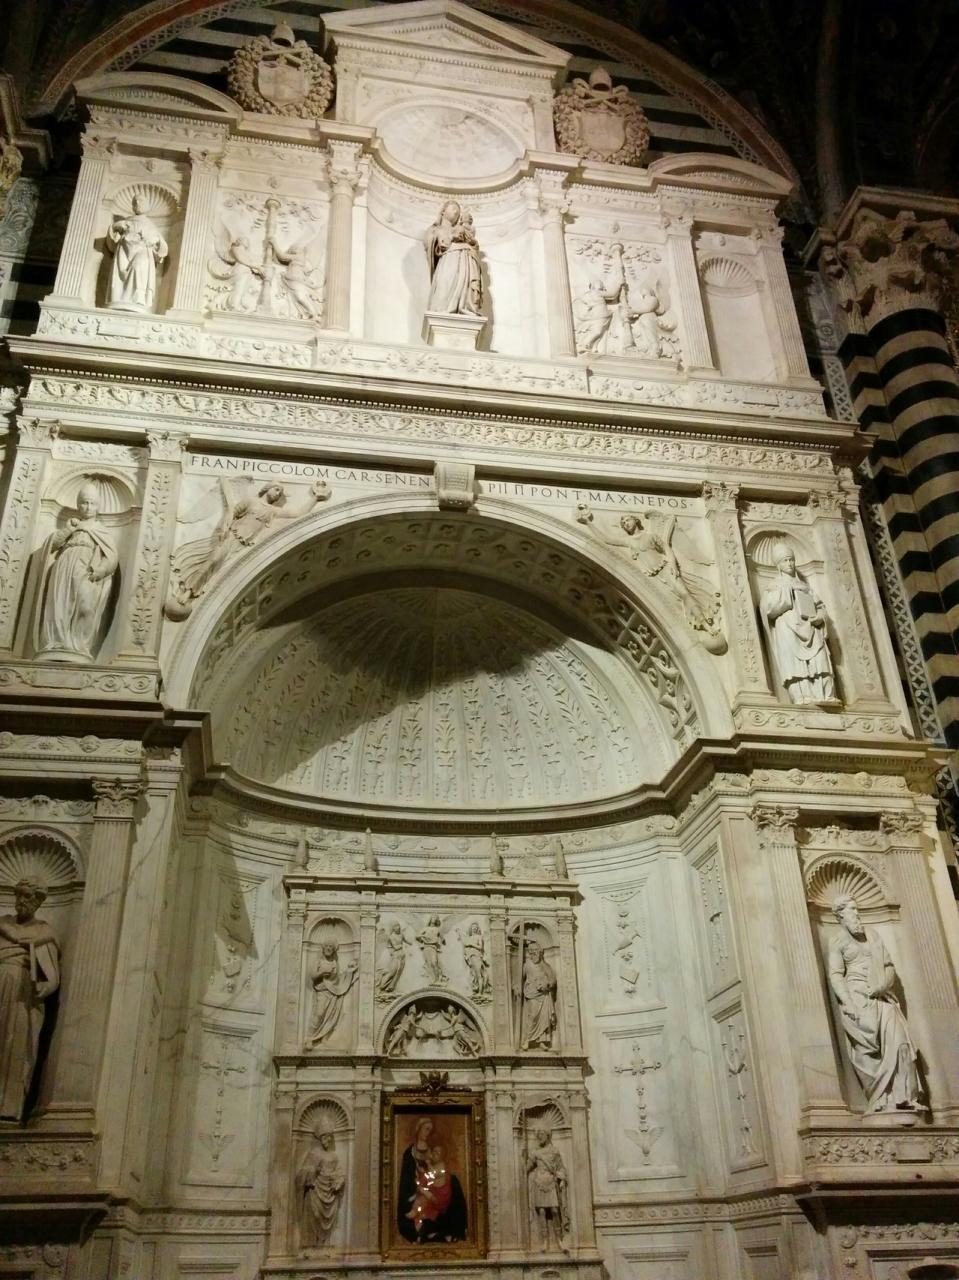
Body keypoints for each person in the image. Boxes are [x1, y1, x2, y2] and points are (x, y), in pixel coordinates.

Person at [828, 895, 922, 1113]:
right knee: (865, 1048)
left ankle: (905, 1096)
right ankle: (879, 1096)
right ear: (841, 915)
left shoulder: (873, 936)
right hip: (857, 997)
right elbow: (836, 974)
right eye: (852, 909)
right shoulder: (838, 941)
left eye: (857, 909)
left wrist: (882, 985)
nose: (857, 914)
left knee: (901, 1042)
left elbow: (889, 966)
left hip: (881, 996)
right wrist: (848, 1003)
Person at [38, 480, 118, 663]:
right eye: (84, 503)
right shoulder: (72, 526)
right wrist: (68, 529)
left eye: (92, 503)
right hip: (65, 566)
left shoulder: (101, 531)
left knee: (86, 606)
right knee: (60, 603)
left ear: (97, 507)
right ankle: (57, 642)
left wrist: (100, 570)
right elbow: (52, 545)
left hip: (87, 568)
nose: (88, 507)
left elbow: (111, 555)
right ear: (78, 505)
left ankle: (80, 645)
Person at [0, 879, 60, 1120]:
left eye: (26, 896)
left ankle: (7, 1106)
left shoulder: (44, 933)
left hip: (21, 994)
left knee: (15, 1044)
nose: (20, 900)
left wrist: (44, 987)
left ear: (37, 901)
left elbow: (51, 974)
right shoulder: (3, 923)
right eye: (18, 894)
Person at [761, 541, 837, 706]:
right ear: (778, 565)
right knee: (794, 665)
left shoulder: (805, 586)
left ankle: (824, 694)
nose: (789, 564)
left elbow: (820, 607)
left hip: (811, 628)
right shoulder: (775, 586)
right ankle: (802, 696)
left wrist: (820, 617)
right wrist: (787, 593)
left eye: (791, 560)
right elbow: (768, 609)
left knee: (820, 660)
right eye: (785, 561)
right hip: (788, 629)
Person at [397, 1116, 468, 1243]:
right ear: (418, 1129)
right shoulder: (410, 1152)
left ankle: (452, 1229)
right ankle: (420, 1226)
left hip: (431, 1183)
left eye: (430, 1130)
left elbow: (437, 1169)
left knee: (453, 1184)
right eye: (426, 1129)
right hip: (416, 1186)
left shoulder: (432, 1149)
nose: (427, 1132)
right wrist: (420, 1183)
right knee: (422, 1199)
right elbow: (408, 1177)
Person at [107, 191, 168, 312]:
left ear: (148, 206)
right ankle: (118, 297)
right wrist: (114, 227)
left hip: (142, 251)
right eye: (135, 201)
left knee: (138, 268)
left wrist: (154, 241)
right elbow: (112, 240)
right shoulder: (126, 222)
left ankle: (138, 299)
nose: (138, 203)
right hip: (124, 252)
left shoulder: (150, 225)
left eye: (141, 201)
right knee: (119, 272)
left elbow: (161, 245)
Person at [425, 200, 482, 316]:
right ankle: (442, 308)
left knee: (465, 292)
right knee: (445, 288)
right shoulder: (436, 229)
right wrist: (451, 237)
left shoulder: (463, 229)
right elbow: (432, 244)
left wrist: (470, 242)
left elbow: (474, 244)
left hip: (465, 261)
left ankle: (464, 306)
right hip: (449, 260)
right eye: (453, 208)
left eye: (458, 211)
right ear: (443, 211)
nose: (456, 212)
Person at [297, 1123, 346, 1247]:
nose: (329, 1139)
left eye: (330, 1137)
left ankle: (325, 1245)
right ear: (321, 1137)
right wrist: (312, 1172)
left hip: (330, 1193)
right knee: (314, 1216)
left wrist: (338, 1181)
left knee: (328, 1221)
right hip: (314, 1193)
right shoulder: (313, 1154)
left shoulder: (333, 1156)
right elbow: (301, 1176)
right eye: (327, 1136)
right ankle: (310, 1246)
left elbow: (340, 1172)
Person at [305, 942, 357, 1047]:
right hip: (322, 991)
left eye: (331, 947)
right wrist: (322, 972)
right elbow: (312, 976)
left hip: (333, 991)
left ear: (333, 950)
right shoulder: (319, 962)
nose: (328, 948)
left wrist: (349, 972)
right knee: (319, 1014)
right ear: (323, 948)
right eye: (327, 946)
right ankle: (310, 1038)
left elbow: (338, 979)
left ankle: (324, 1037)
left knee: (332, 1015)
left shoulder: (334, 963)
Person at [526, 1128, 569, 1253]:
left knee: (555, 1210)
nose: (539, 1136)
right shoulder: (535, 1152)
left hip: (551, 1182)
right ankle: (544, 1241)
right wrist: (524, 1158)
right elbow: (527, 1168)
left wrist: (562, 1179)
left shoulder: (554, 1151)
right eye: (538, 1134)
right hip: (539, 1183)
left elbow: (561, 1168)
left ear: (547, 1135)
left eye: (542, 1134)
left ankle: (559, 1240)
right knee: (542, 1211)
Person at [521, 940, 557, 1050]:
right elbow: (520, 979)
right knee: (532, 1016)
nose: (533, 953)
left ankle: (541, 1040)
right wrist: (516, 986)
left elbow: (553, 980)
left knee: (544, 1018)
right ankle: (527, 1040)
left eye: (535, 950)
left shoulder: (545, 966)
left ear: (540, 952)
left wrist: (547, 985)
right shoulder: (527, 966)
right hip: (532, 994)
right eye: (531, 951)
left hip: (543, 995)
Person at [459, 922, 491, 998]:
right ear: (471, 928)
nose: (474, 928)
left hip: (476, 956)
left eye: (476, 927)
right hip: (470, 957)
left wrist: (471, 944)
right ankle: (476, 990)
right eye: (473, 927)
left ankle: (480, 992)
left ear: (477, 929)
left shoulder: (479, 937)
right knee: (474, 975)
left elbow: (480, 947)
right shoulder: (469, 938)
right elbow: (465, 945)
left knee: (479, 974)